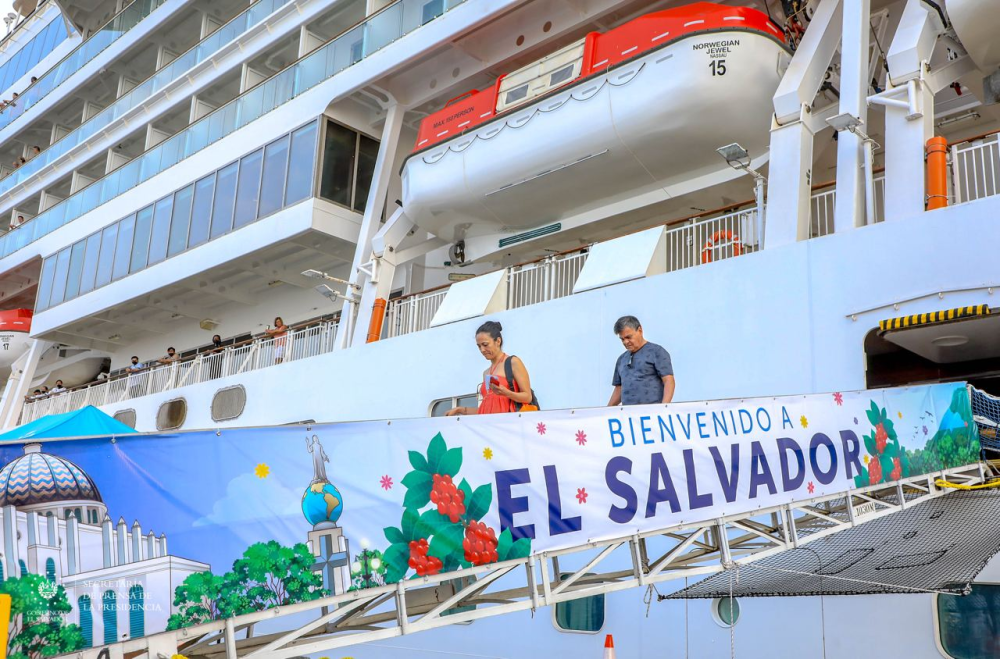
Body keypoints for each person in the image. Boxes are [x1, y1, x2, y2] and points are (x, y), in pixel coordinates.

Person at [445, 321, 533, 415]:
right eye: (479, 346)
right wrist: (460, 410)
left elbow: (528, 397)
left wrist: (506, 393)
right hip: (488, 423)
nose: (482, 350)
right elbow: (486, 410)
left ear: (498, 341)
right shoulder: (486, 373)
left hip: (507, 422)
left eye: (485, 344)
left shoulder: (513, 362)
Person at [608, 315, 675, 406]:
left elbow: (668, 381)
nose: (625, 342)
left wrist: (664, 408)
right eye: (622, 339)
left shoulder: (657, 352)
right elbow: (619, 388)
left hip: (652, 412)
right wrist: (606, 410)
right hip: (628, 413)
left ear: (640, 330)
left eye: (628, 337)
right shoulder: (621, 359)